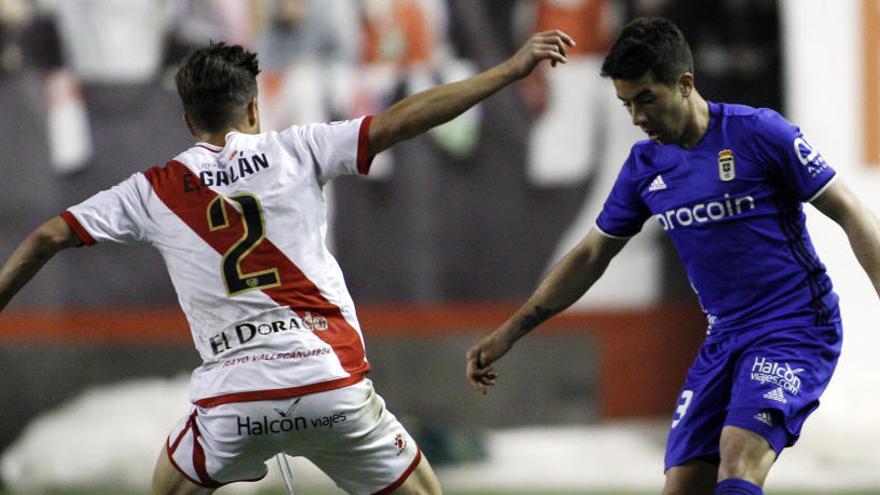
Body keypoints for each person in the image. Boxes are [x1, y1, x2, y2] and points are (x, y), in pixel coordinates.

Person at [0, 30, 574, 495]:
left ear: (186, 121)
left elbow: (48, 235)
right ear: (253, 108)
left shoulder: (152, 190)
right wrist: (508, 70)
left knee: (166, 487)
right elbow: (402, 120)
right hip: (328, 381)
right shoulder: (298, 148)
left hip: (234, 403)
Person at [466, 17, 880, 495]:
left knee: (738, 455)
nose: (638, 118)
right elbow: (590, 256)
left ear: (684, 84)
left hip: (795, 325)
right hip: (724, 336)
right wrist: (510, 332)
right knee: (682, 485)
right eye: (626, 105)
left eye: (646, 99)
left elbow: (850, 210)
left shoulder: (758, 133)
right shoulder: (645, 167)